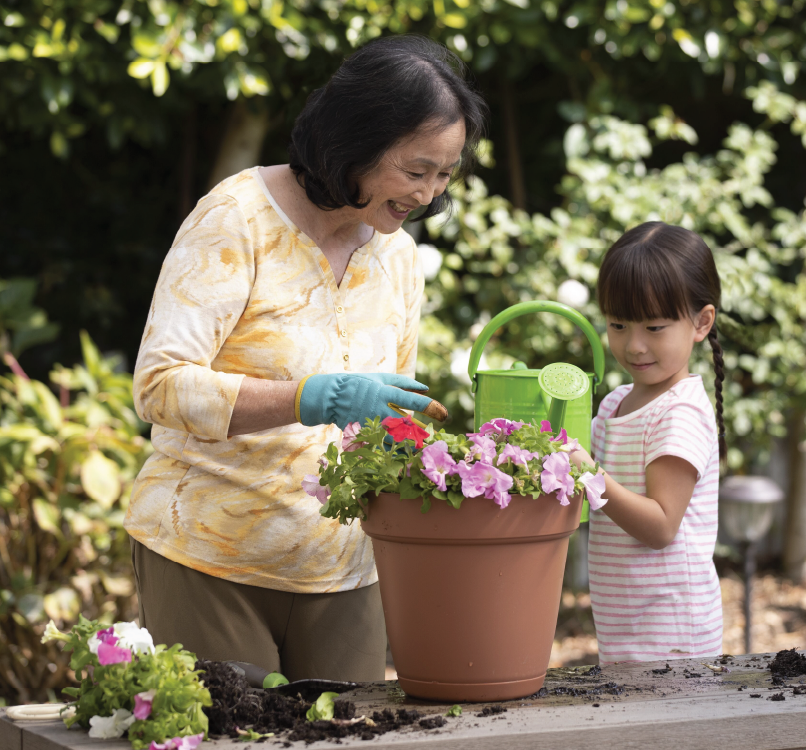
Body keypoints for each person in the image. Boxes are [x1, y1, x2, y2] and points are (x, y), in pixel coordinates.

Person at [124, 35, 487, 682]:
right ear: (355, 141)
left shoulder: (395, 254)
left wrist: (447, 465)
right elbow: (159, 386)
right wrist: (309, 397)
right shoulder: (237, 220)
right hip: (210, 558)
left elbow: (389, 414)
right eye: (416, 169)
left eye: (445, 174)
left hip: (345, 572)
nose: (431, 193)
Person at [570, 221, 726, 662]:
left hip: (673, 631)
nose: (634, 345)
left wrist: (586, 471)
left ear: (701, 322)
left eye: (654, 328)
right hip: (627, 621)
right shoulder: (615, 404)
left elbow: (660, 526)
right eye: (618, 325)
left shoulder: (680, 413)